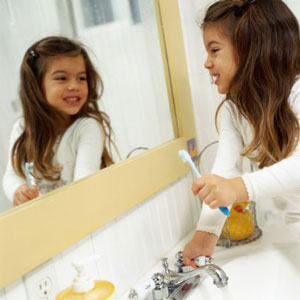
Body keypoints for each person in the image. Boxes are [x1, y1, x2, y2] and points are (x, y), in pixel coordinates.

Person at [183, 0, 300, 268]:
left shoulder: (297, 92)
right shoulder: (233, 110)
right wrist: (206, 236)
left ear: (250, 50)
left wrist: (235, 189)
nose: (206, 63)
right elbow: (224, 172)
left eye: (214, 50)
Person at [3, 36, 114, 207]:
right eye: (62, 78)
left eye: (81, 78)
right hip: (47, 223)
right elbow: (12, 174)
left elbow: (84, 188)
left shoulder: (87, 128)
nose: (74, 86)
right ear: (36, 86)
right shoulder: (23, 128)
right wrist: (18, 190)